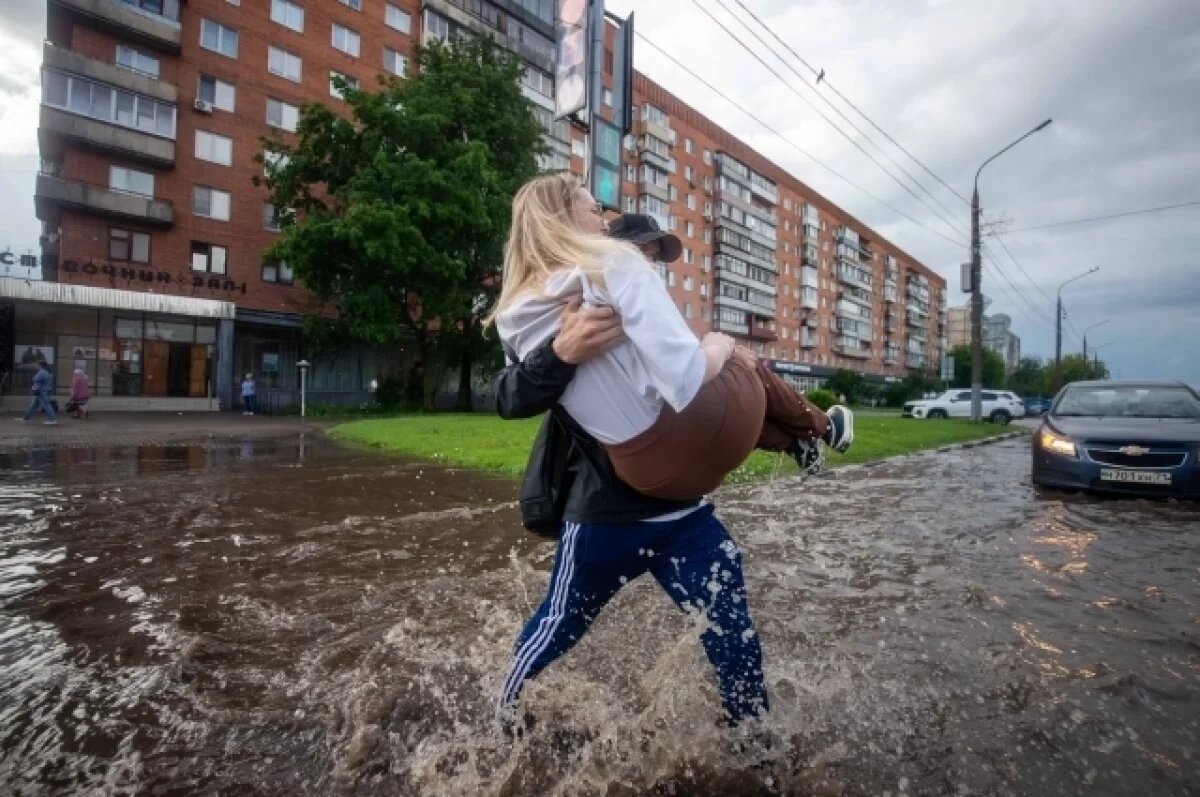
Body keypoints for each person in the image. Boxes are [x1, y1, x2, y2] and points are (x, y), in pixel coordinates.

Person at [486, 178, 844, 728]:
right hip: (605, 509)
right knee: (558, 624)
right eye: (596, 210)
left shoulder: (529, 306)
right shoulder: (579, 290)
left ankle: (758, 750)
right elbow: (509, 396)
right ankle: (499, 715)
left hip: (682, 510)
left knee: (733, 633)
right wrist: (562, 352)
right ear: (568, 220)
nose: (606, 221)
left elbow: (673, 385)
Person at [493, 183, 852, 501]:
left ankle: (798, 442)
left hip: (643, 475)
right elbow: (684, 378)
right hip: (614, 481)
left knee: (720, 392)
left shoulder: (513, 309)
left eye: (654, 256)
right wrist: (559, 355)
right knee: (735, 357)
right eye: (645, 251)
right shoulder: (612, 268)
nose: (650, 261)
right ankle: (820, 428)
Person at [17, 360, 57, 425]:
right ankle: (25, 418)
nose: (35, 366)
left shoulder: (42, 372)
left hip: (42, 391)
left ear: (40, 365)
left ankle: (53, 420)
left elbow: (37, 381)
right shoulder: (47, 372)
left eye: (36, 365)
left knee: (46, 405)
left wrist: (34, 389)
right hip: (43, 391)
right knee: (33, 405)